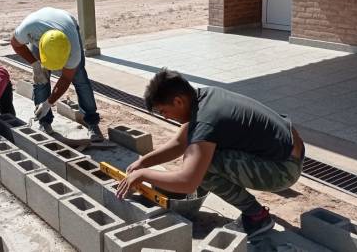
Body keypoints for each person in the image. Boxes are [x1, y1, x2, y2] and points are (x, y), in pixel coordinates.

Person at [117, 69, 305, 237]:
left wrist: (143, 175)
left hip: (283, 169)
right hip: (288, 149)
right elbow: (179, 143)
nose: (165, 117)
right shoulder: (204, 97)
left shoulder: (205, 121)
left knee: (203, 168)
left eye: (164, 111)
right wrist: (143, 162)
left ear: (178, 101)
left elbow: (187, 182)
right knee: (197, 154)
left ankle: (257, 216)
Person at [10, 7, 106, 143]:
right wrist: (35, 64)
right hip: (41, 31)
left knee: (80, 78)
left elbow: (66, 78)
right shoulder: (27, 29)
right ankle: (44, 122)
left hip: (66, 27)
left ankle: (92, 123)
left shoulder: (73, 51)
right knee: (41, 78)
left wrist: (48, 103)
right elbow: (15, 44)